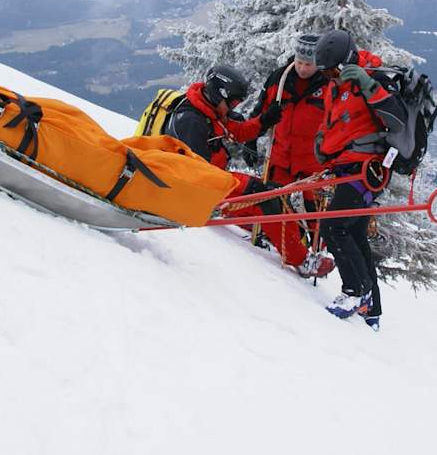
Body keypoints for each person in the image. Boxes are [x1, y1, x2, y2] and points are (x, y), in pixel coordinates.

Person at [312, 30, 406, 330]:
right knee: (354, 233)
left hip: (367, 171)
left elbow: (397, 119)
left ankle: (356, 291)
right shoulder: (334, 86)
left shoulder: (375, 78)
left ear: (344, 63)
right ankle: (372, 310)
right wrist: (322, 144)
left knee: (334, 226)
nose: (328, 77)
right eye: (324, 72)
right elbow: (334, 122)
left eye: (331, 71)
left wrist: (368, 85)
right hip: (345, 167)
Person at [245, 33, 335, 278]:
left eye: (309, 64)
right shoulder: (279, 79)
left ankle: (314, 251)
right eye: (300, 62)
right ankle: (272, 240)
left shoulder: (329, 85)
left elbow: (338, 123)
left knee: (316, 215)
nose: (303, 68)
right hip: (281, 157)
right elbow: (261, 110)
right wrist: (252, 138)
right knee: (272, 202)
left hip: (313, 163)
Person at [166, 63, 283, 206]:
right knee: (268, 205)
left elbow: (239, 131)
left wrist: (264, 121)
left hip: (216, 184)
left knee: (270, 199)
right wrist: (249, 186)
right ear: (218, 94)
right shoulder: (192, 123)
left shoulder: (210, 109)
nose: (233, 107)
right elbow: (201, 175)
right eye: (233, 103)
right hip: (198, 194)